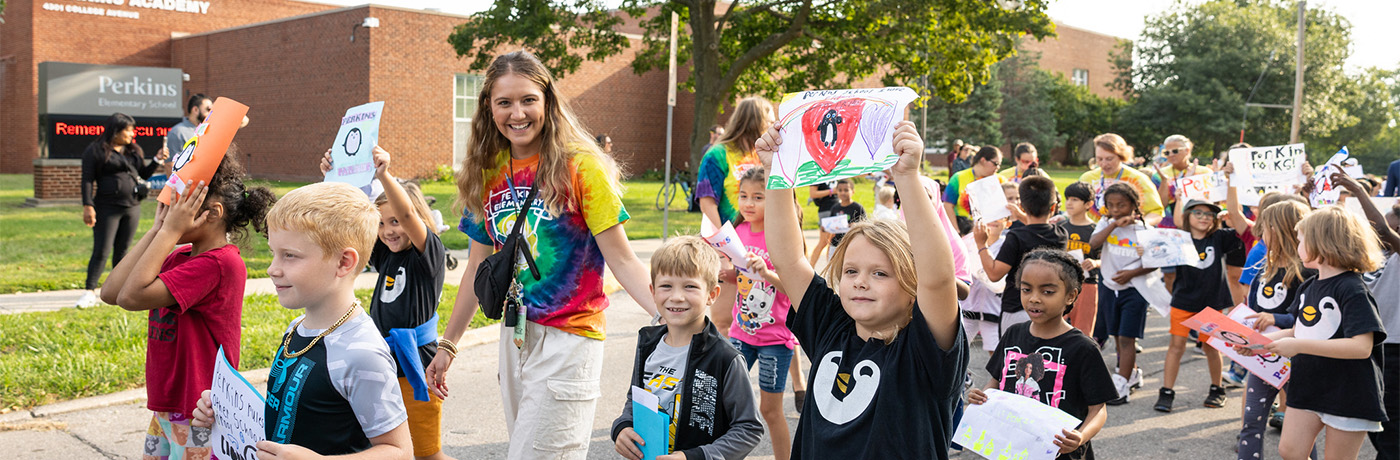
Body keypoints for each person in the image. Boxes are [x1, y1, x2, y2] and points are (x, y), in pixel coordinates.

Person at [427, 50, 658, 460]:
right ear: (489, 108)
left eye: (528, 99)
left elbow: (622, 260)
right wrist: (448, 345)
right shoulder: (489, 171)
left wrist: (669, 314)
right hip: (514, 338)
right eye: (505, 102)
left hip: (570, 339)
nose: (518, 113)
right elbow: (478, 267)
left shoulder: (580, 167)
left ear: (547, 101)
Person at [757, 120, 968, 458]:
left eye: (880, 273)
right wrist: (776, 173)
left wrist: (907, 178)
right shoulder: (832, 325)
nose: (860, 281)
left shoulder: (925, 347)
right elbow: (789, 260)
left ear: (913, 286)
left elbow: (939, 278)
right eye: (851, 270)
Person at [193, 181, 411, 457]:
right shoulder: (298, 328)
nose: (273, 269)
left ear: (344, 262)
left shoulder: (362, 353)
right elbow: (289, 413)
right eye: (274, 253)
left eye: (290, 256)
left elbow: (399, 451)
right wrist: (226, 413)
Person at [99, 153, 272, 460]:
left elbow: (131, 298)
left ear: (212, 212)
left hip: (197, 410)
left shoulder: (220, 264)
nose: (170, 210)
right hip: (168, 405)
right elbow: (111, 292)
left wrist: (168, 232)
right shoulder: (180, 257)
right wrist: (156, 231)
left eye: (181, 203)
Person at [319, 146, 452, 460]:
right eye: (381, 224)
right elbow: (348, 224)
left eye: (395, 222)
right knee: (389, 449)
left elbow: (406, 214)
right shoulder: (384, 253)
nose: (388, 230)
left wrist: (383, 175)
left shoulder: (427, 254)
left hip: (416, 365)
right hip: (382, 364)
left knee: (426, 454)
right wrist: (332, 178)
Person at [1237, 206, 1388, 460]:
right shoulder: (1309, 285)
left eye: (1301, 240)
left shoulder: (1352, 289)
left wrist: (1299, 347)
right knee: (1290, 451)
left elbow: (1361, 347)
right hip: (1309, 384)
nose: (1297, 246)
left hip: (1348, 391)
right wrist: (1256, 344)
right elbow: (1298, 331)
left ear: (1323, 243)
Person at [611, 236, 764, 460]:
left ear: (711, 295)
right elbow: (634, 401)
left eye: (690, 286)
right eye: (666, 286)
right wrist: (622, 427)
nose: (677, 297)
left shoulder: (725, 358)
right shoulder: (647, 344)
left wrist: (693, 457)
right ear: (653, 291)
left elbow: (748, 429)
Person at [971, 249, 1117, 460]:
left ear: (1070, 296)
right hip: (1013, 449)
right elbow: (996, 382)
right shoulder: (1013, 334)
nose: (1034, 299)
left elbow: (1098, 410)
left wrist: (1081, 436)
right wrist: (983, 397)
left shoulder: (1083, 348)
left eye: (1047, 292)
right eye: (1026, 289)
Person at [715, 167, 798, 460]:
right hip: (741, 333)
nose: (748, 203)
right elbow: (739, 277)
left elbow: (794, 288)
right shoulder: (737, 232)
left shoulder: (782, 236)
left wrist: (767, 273)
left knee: (770, 410)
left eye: (758, 197)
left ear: (774, 199)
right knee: (726, 403)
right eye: (743, 196)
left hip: (775, 339)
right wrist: (725, 274)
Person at [1231, 200, 1317, 460]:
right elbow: (1254, 308)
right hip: (1262, 358)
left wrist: (1274, 318)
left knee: (1301, 430)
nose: (1259, 233)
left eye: (1265, 227)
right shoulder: (1262, 267)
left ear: (1280, 230)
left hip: (1297, 361)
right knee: (1250, 423)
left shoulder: (1308, 273)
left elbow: (1308, 320)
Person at [1153, 195, 1244, 412]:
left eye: (1209, 214)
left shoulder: (1220, 237)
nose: (1204, 217)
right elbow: (1153, 252)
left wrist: (1231, 217)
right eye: (1198, 212)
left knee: (1211, 347)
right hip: (1183, 302)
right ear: (1187, 215)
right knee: (1176, 347)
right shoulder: (1178, 239)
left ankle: (1216, 388)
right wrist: (1145, 252)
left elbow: (1243, 232)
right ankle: (1166, 391)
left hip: (1212, 304)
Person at [1331, 173, 1400, 459]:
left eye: (1387, 225)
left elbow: (1384, 232)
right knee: (1373, 418)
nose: (1375, 229)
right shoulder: (1369, 258)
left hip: (1394, 350)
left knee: (1389, 425)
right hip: (1367, 346)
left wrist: (1359, 190)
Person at [79, 113, 169, 307]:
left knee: (123, 251)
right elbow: (87, 179)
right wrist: (88, 205)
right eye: (128, 129)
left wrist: (157, 160)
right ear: (115, 130)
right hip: (106, 207)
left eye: (132, 129)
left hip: (132, 207)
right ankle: (89, 291)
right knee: (101, 250)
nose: (131, 133)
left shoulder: (133, 151)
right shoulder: (95, 150)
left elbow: (142, 174)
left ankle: (117, 289)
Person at [1088, 183, 1160, 405]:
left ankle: (1121, 386)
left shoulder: (1144, 230)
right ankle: (1132, 374)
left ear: (1134, 205)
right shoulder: (1105, 223)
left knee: (1128, 338)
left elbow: (1155, 262)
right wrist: (1113, 224)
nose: (1116, 209)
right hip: (1109, 287)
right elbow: (1093, 244)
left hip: (1134, 289)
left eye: (1122, 205)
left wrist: (1132, 273)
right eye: (1111, 205)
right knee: (1117, 335)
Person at [974, 176, 1068, 333]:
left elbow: (994, 273)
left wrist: (981, 244)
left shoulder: (1016, 237)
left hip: (1017, 308)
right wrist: (1022, 215)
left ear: (1022, 206)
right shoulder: (1060, 235)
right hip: (1050, 309)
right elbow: (1038, 229)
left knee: (1014, 356)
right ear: (1053, 208)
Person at [697, 97, 773, 226]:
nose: (773, 128)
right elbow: (707, 204)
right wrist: (722, 242)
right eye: (770, 123)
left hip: (762, 238)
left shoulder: (765, 154)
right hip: (730, 238)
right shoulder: (717, 155)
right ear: (755, 122)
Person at [1079, 133, 1163, 226]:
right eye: (1099, 159)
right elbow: (1076, 207)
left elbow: (1156, 212)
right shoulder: (1087, 178)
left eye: (1109, 159)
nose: (1104, 163)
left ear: (1121, 156)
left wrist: (1139, 225)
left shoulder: (1138, 179)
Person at [1059, 182, 1102, 336]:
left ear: (1088, 204)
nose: (1069, 203)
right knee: (1054, 328)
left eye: (1075, 199)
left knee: (1083, 332)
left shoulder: (1096, 230)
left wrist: (1096, 262)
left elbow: (1107, 259)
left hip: (1087, 284)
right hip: (1061, 283)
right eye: (1068, 198)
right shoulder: (1060, 227)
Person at [1148, 135, 1204, 231]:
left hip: (1198, 226)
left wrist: (1188, 183)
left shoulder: (1203, 173)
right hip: (1168, 226)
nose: (1171, 155)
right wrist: (1164, 181)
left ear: (1187, 151)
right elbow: (1161, 205)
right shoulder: (1159, 175)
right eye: (1166, 152)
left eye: (1175, 151)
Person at [810, 178, 866, 262]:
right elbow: (832, 225)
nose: (843, 193)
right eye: (840, 190)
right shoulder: (835, 208)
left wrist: (855, 225)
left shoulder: (857, 208)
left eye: (846, 190)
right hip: (836, 243)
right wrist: (826, 227)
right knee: (825, 246)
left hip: (851, 242)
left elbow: (865, 224)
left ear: (853, 191)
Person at [944, 146, 1005, 220]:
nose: (998, 167)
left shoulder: (1001, 180)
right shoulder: (958, 177)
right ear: (983, 160)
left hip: (994, 227)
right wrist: (956, 230)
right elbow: (948, 205)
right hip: (964, 227)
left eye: (999, 164)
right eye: (996, 163)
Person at [165, 94, 212, 158]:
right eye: (208, 110)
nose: (211, 114)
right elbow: (170, 165)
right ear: (195, 110)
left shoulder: (209, 131)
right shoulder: (177, 132)